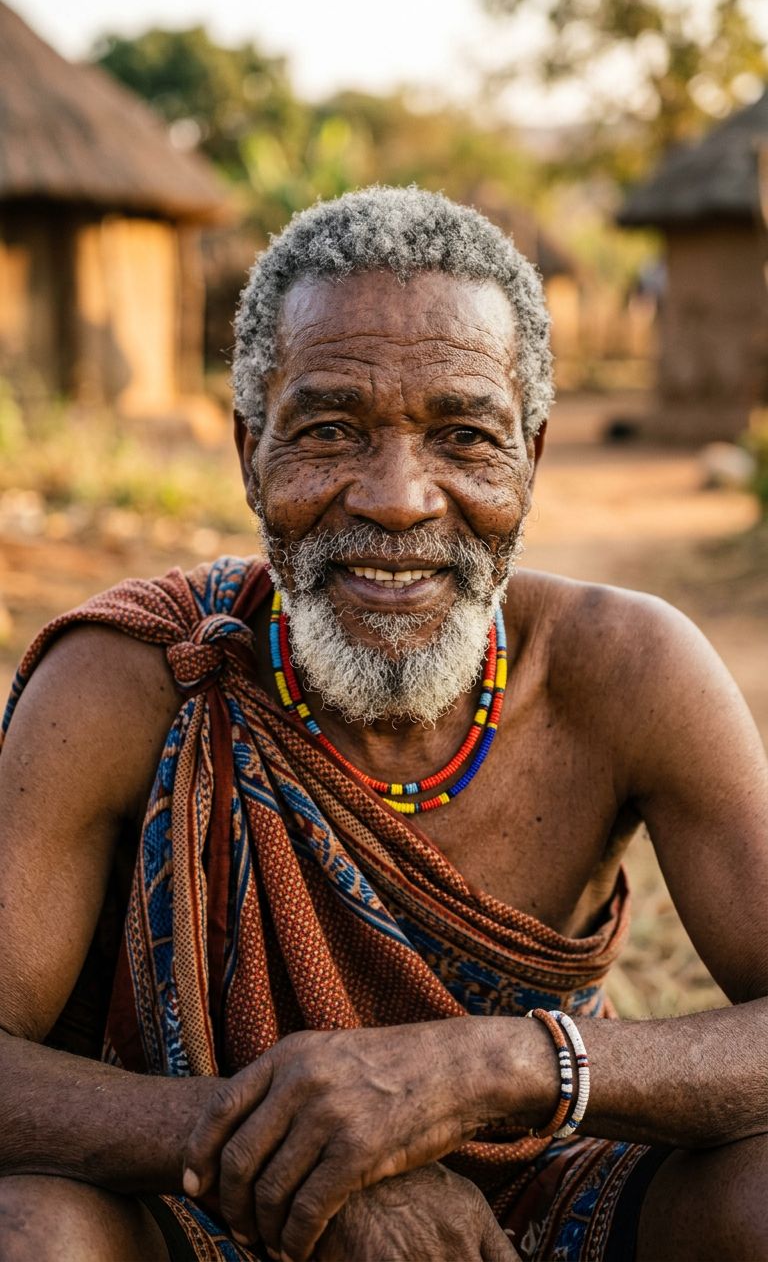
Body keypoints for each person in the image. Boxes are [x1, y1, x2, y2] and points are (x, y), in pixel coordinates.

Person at [0, 186, 766, 1262]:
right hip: (202, 1208)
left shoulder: (630, 671)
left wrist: (490, 1066)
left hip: (548, 1195)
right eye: (329, 431)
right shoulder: (135, 680)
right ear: (249, 452)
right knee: (30, 1229)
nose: (399, 497)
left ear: (531, 456)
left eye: (464, 435)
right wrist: (311, 1158)